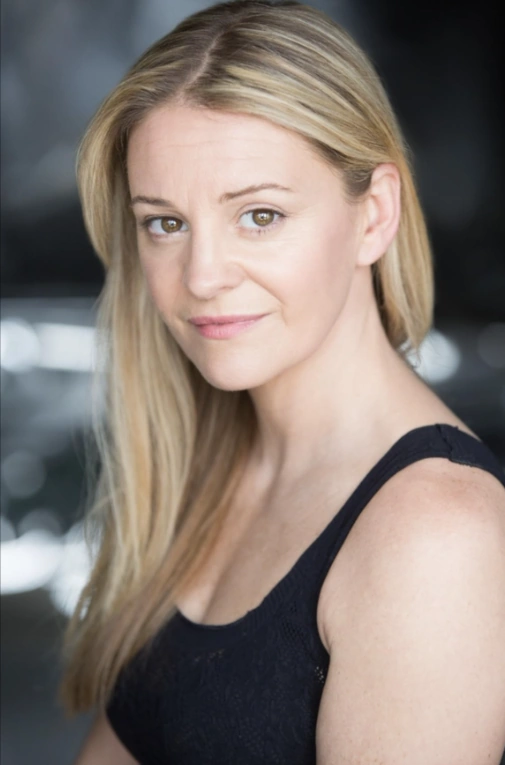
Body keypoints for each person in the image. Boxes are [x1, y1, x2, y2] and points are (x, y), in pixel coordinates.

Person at [63, 1, 505, 763]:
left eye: (259, 215)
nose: (201, 276)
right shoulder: (209, 460)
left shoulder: (434, 535)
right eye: (165, 222)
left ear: (373, 216)